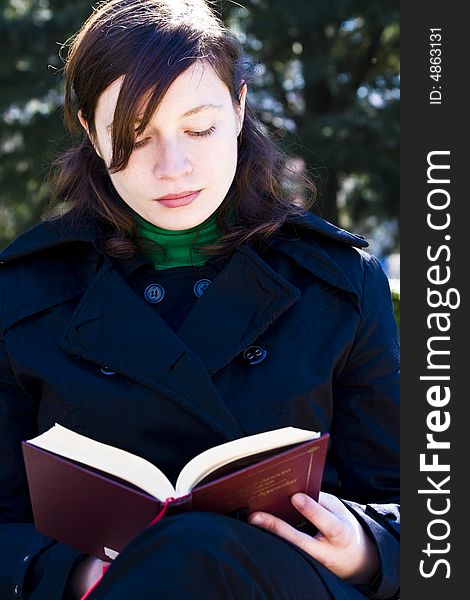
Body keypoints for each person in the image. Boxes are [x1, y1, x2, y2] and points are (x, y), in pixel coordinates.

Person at [0, 1, 399, 599]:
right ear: (89, 129)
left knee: (198, 546)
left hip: (291, 586)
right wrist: (75, 574)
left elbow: (416, 507)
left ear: (239, 109)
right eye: (134, 135)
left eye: (200, 128)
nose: (173, 167)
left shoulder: (340, 282)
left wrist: (366, 547)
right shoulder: (24, 292)